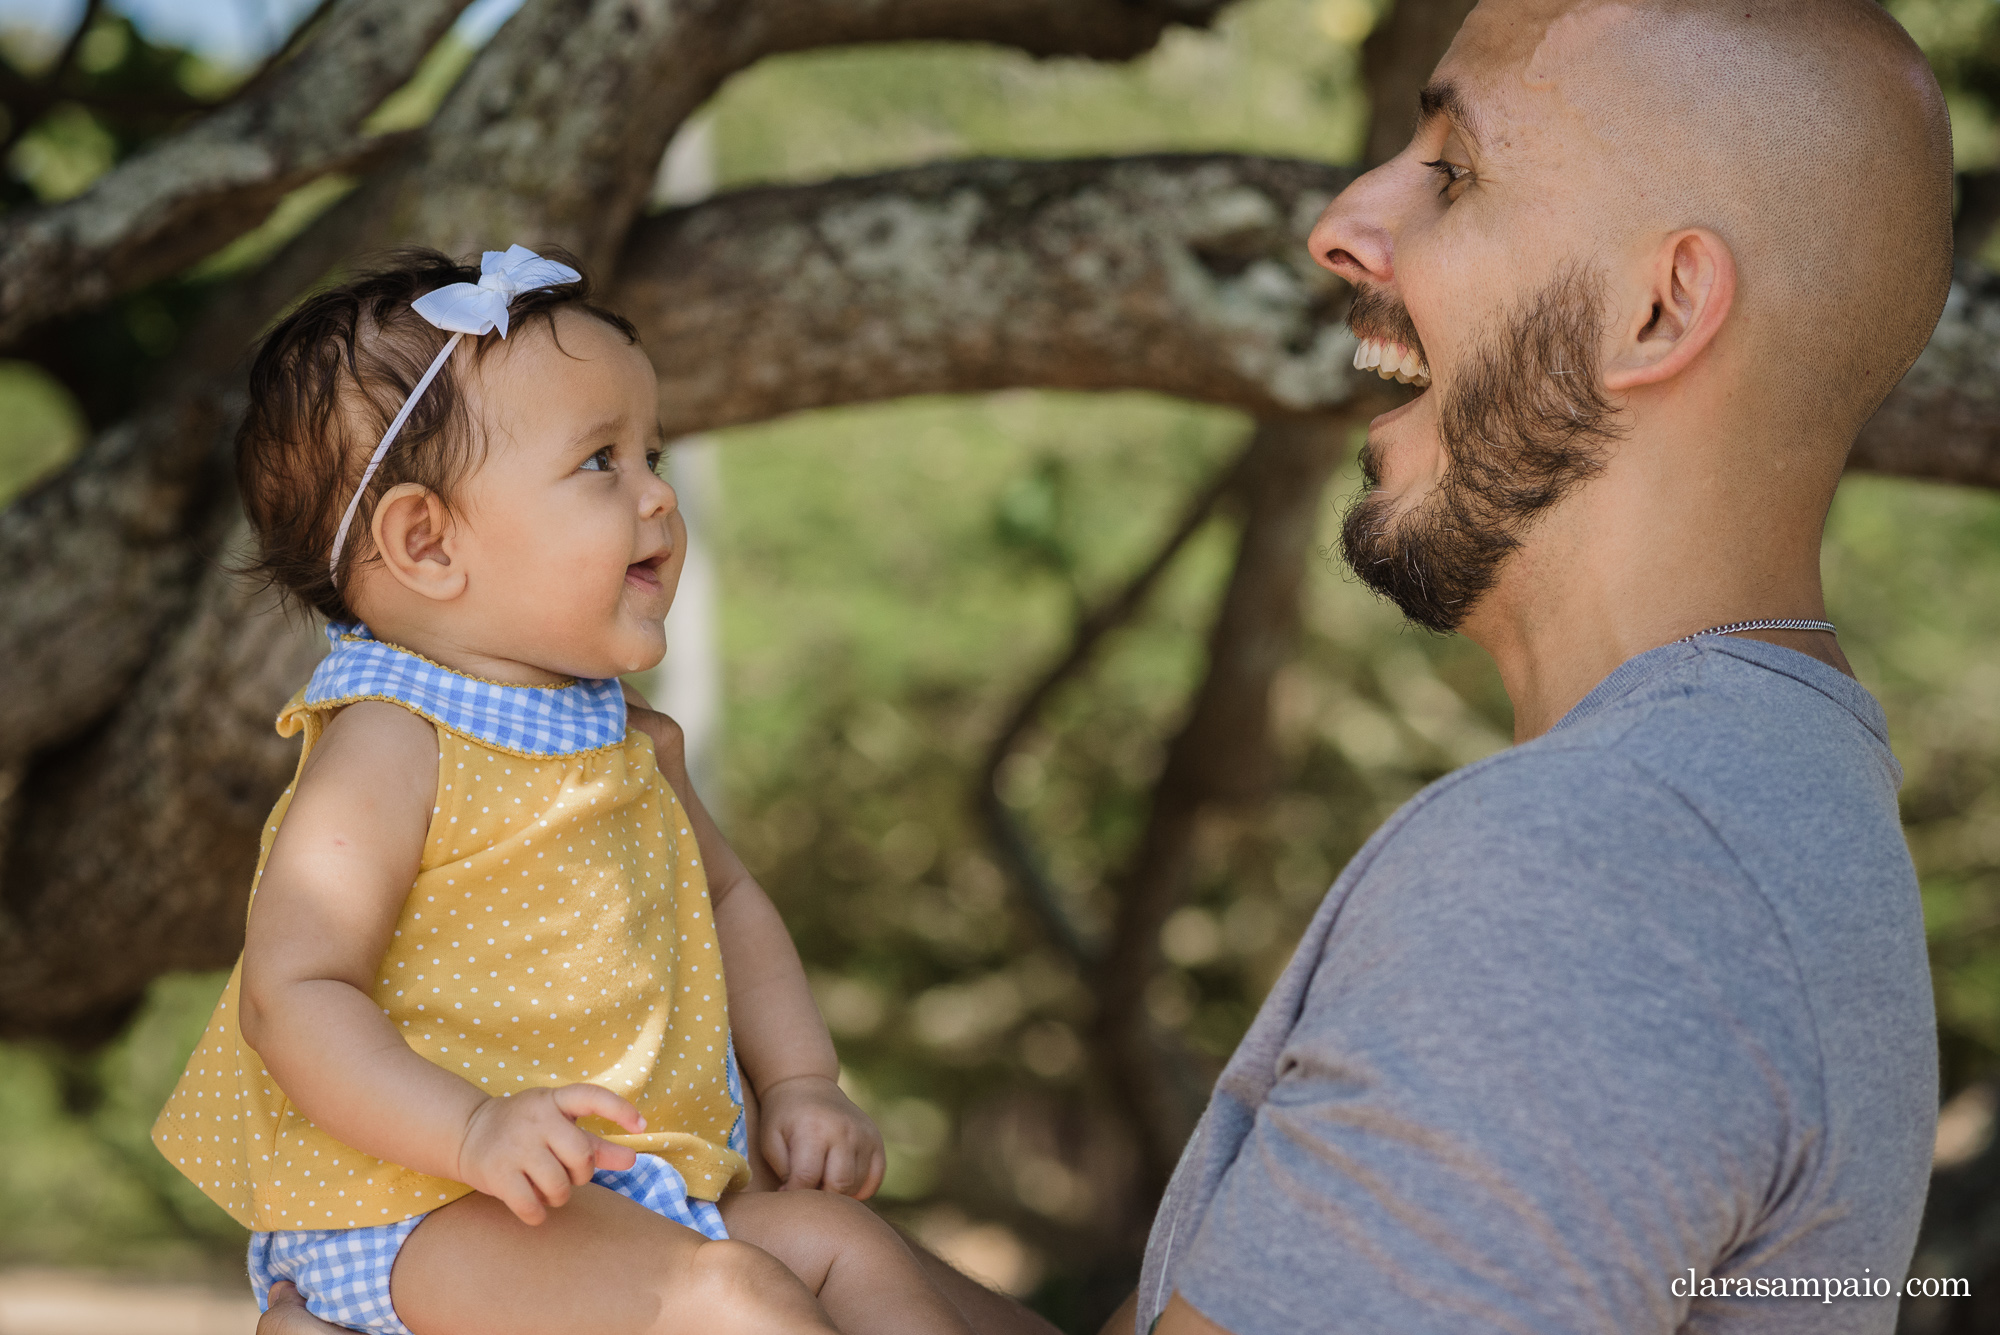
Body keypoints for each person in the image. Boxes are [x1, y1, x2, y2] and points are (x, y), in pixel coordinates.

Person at [258, 0, 1959, 1331]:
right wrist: (831, 1280)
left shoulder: (1591, 879)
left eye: (1451, 169)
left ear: (1661, 315)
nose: (1342, 223)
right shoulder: (1774, 802)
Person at [151, 246, 975, 1335]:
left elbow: (729, 906)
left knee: (846, 1250)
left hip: (615, 1196)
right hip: (418, 1203)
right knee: (727, 1302)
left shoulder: (627, 741)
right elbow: (294, 994)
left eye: (652, 454)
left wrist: (802, 1083)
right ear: (425, 541)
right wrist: (470, 1131)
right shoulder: (392, 744)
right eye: (600, 462)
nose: (656, 498)